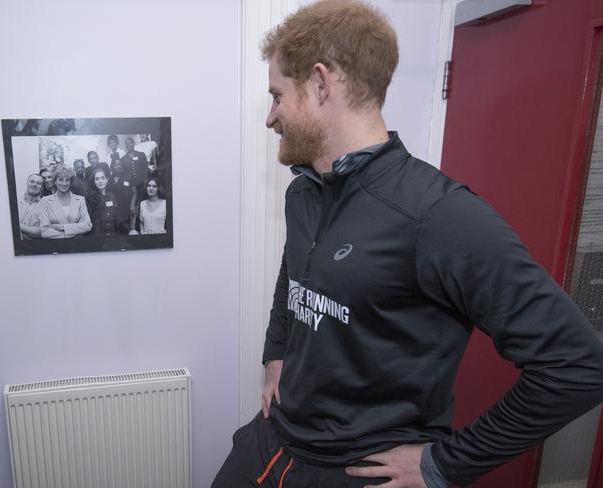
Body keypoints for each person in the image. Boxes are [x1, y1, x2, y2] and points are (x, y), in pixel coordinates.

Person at [212, 2, 603, 488]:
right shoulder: (304, 191)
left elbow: (577, 366)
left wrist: (445, 464)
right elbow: (295, 269)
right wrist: (276, 353)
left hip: (360, 469)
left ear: (319, 83)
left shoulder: (438, 215)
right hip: (276, 437)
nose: (270, 117)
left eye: (277, 96)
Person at [39, 166, 92, 238]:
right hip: (55, 247)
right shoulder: (45, 201)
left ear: (70, 182)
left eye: (67, 180)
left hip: (77, 246)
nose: (64, 184)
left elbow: (87, 226)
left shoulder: (80, 200)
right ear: (55, 181)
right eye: (60, 180)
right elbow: (45, 232)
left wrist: (62, 227)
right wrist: (73, 233)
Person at [86, 168, 128, 237]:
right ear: (93, 181)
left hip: (112, 236)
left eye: (102, 178)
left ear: (107, 180)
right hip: (97, 239)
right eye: (97, 179)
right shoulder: (90, 198)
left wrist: (129, 230)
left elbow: (118, 218)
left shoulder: (112, 196)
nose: (100, 181)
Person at [121, 136, 149, 218]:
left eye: (130, 142)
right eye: (127, 143)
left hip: (143, 183)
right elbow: (124, 173)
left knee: (144, 203)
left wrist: (145, 180)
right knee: (134, 206)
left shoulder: (141, 155)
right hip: (132, 186)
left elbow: (145, 168)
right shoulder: (123, 159)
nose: (129, 144)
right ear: (125, 146)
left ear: (133, 143)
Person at [107, 158, 135, 230]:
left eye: (120, 164)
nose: (118, 166)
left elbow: (135, 192)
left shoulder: (128, 176)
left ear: (122, 166)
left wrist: (132, 204)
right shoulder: (109, 179)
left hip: (126, 208)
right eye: (115, 165)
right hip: (114, 209)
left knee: (126, 229)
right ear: (112, 167)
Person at [17, 173, 43, 239]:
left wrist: (16, 225)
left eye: (39, 183)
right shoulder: (15, 201)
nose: (34, 185)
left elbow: (40, 231)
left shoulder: (45, 206)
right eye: (32, 181)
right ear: (27, 183)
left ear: (42, 188)